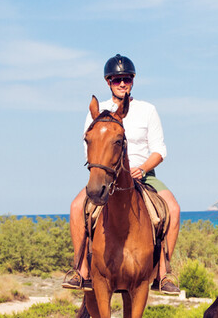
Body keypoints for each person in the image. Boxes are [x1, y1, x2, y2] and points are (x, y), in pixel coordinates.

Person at [65, 54, 182, 293]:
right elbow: (89, 146)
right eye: (117, 79)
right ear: (108, 82)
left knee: (173, 208)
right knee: (77, 207)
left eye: (126, 79)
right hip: (106, 175)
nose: (122, 83)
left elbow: (159, 149)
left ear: (132, 81)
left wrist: (144, 168)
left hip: (143, 174)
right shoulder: (97, 112)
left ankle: (164, 274)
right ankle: (80, 271)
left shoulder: (147, 110)